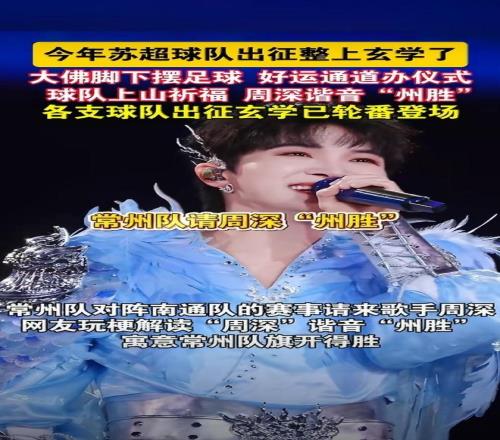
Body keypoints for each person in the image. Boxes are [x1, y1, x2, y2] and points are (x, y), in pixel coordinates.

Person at [0, 119, 498, 440]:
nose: (334, 170)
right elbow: (23, 407)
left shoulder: (432, 265)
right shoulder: (104, 261)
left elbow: (440, 332)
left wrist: (382, 229)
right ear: (217, 175)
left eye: (362, 159)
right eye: (297, 153)